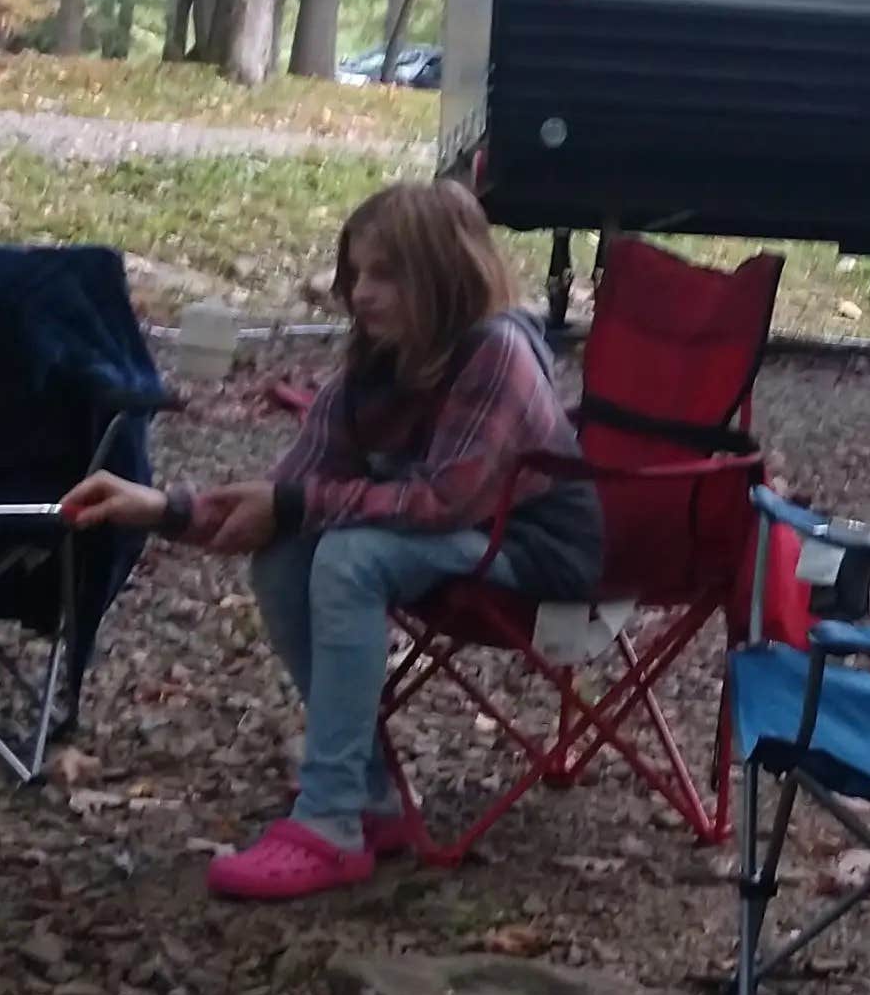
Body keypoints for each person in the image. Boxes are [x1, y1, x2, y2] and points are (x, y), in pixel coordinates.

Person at [62, 179, 602, 901]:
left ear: (445, 273)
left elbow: (442, 501)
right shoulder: (373, 366)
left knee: (349, 554)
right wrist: (160, 507)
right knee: (288, 553)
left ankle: (329, 822)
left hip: (536, 555)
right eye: (354, 274)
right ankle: (369, 797)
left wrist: (295, 504)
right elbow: (288, 500)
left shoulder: (497, 352)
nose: (360, 294)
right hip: (450, 542)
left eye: (384, 275)